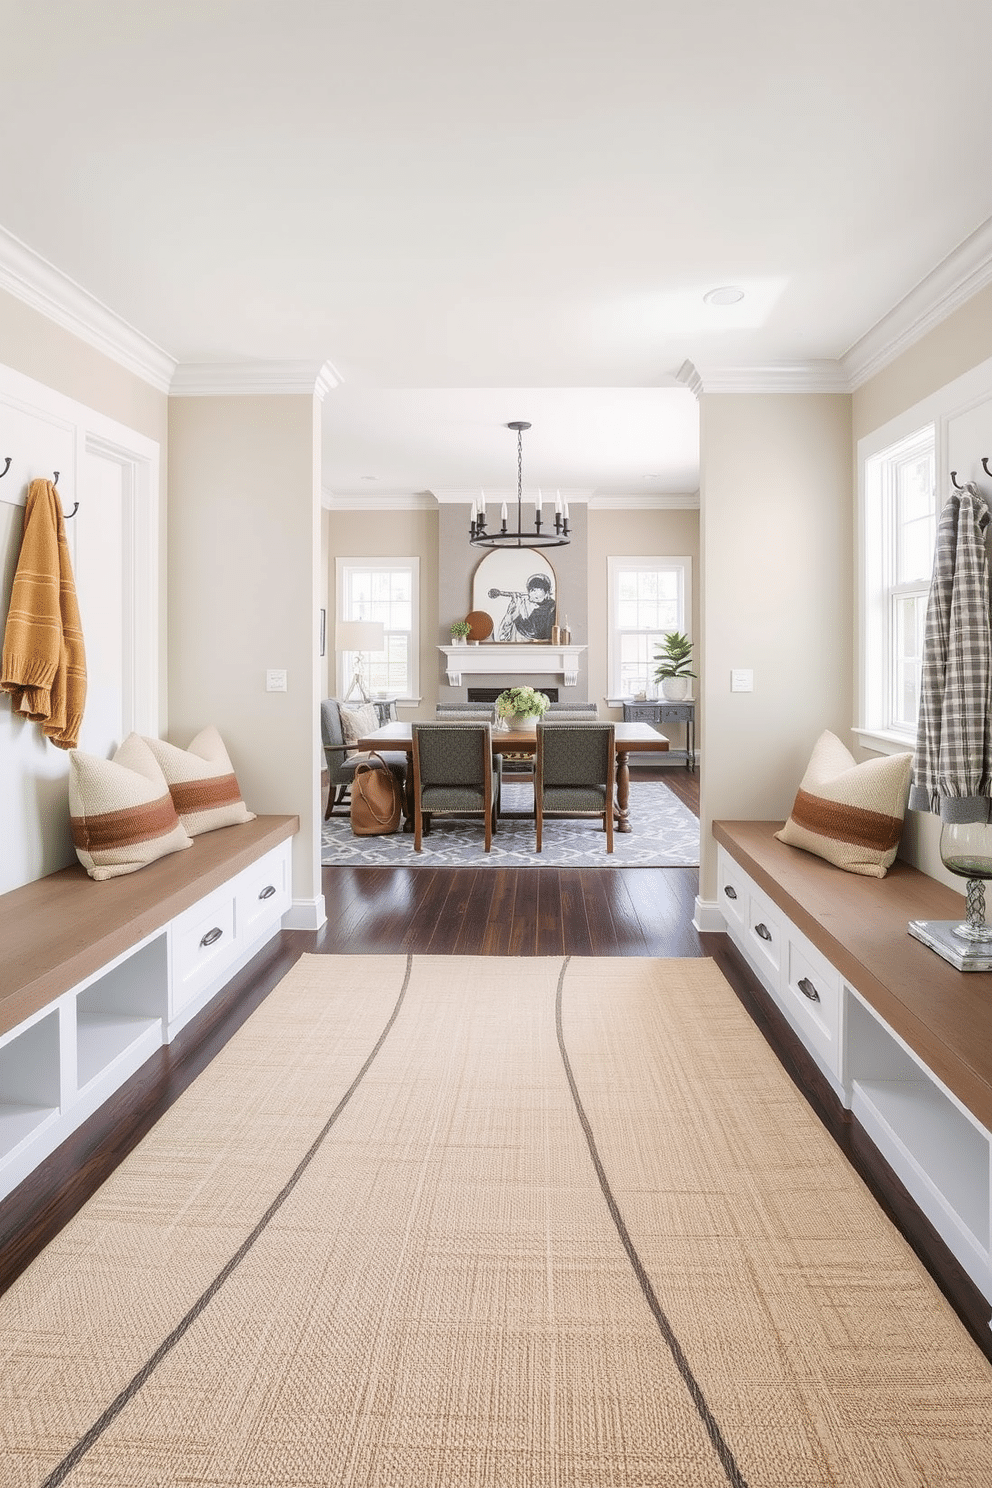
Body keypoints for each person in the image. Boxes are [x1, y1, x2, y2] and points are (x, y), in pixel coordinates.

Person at [491, 573, 556, 641]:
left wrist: (516, 616)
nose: (531, 593)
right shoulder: (543, 607)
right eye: (530, 590)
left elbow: (530, 631)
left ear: (547, 592)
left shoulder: (549, 608)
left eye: (534, 590)